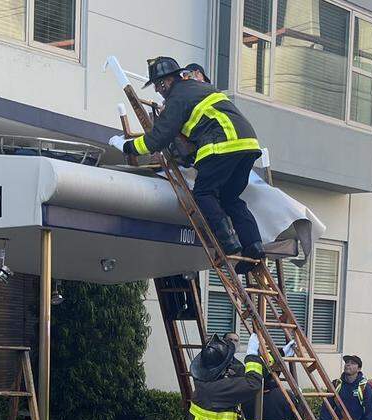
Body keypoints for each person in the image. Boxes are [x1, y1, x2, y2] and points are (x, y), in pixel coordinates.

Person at [110, 57, 264, 271]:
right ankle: (254, 246)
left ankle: (229, 244)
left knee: (203, 194)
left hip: (223, 144)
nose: (157, 90)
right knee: (230, 198)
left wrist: (127, 147)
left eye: (157, 84)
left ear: (166, 81)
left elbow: (157, 139)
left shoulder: (177, 98)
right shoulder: (200, 88)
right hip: (247, 144)